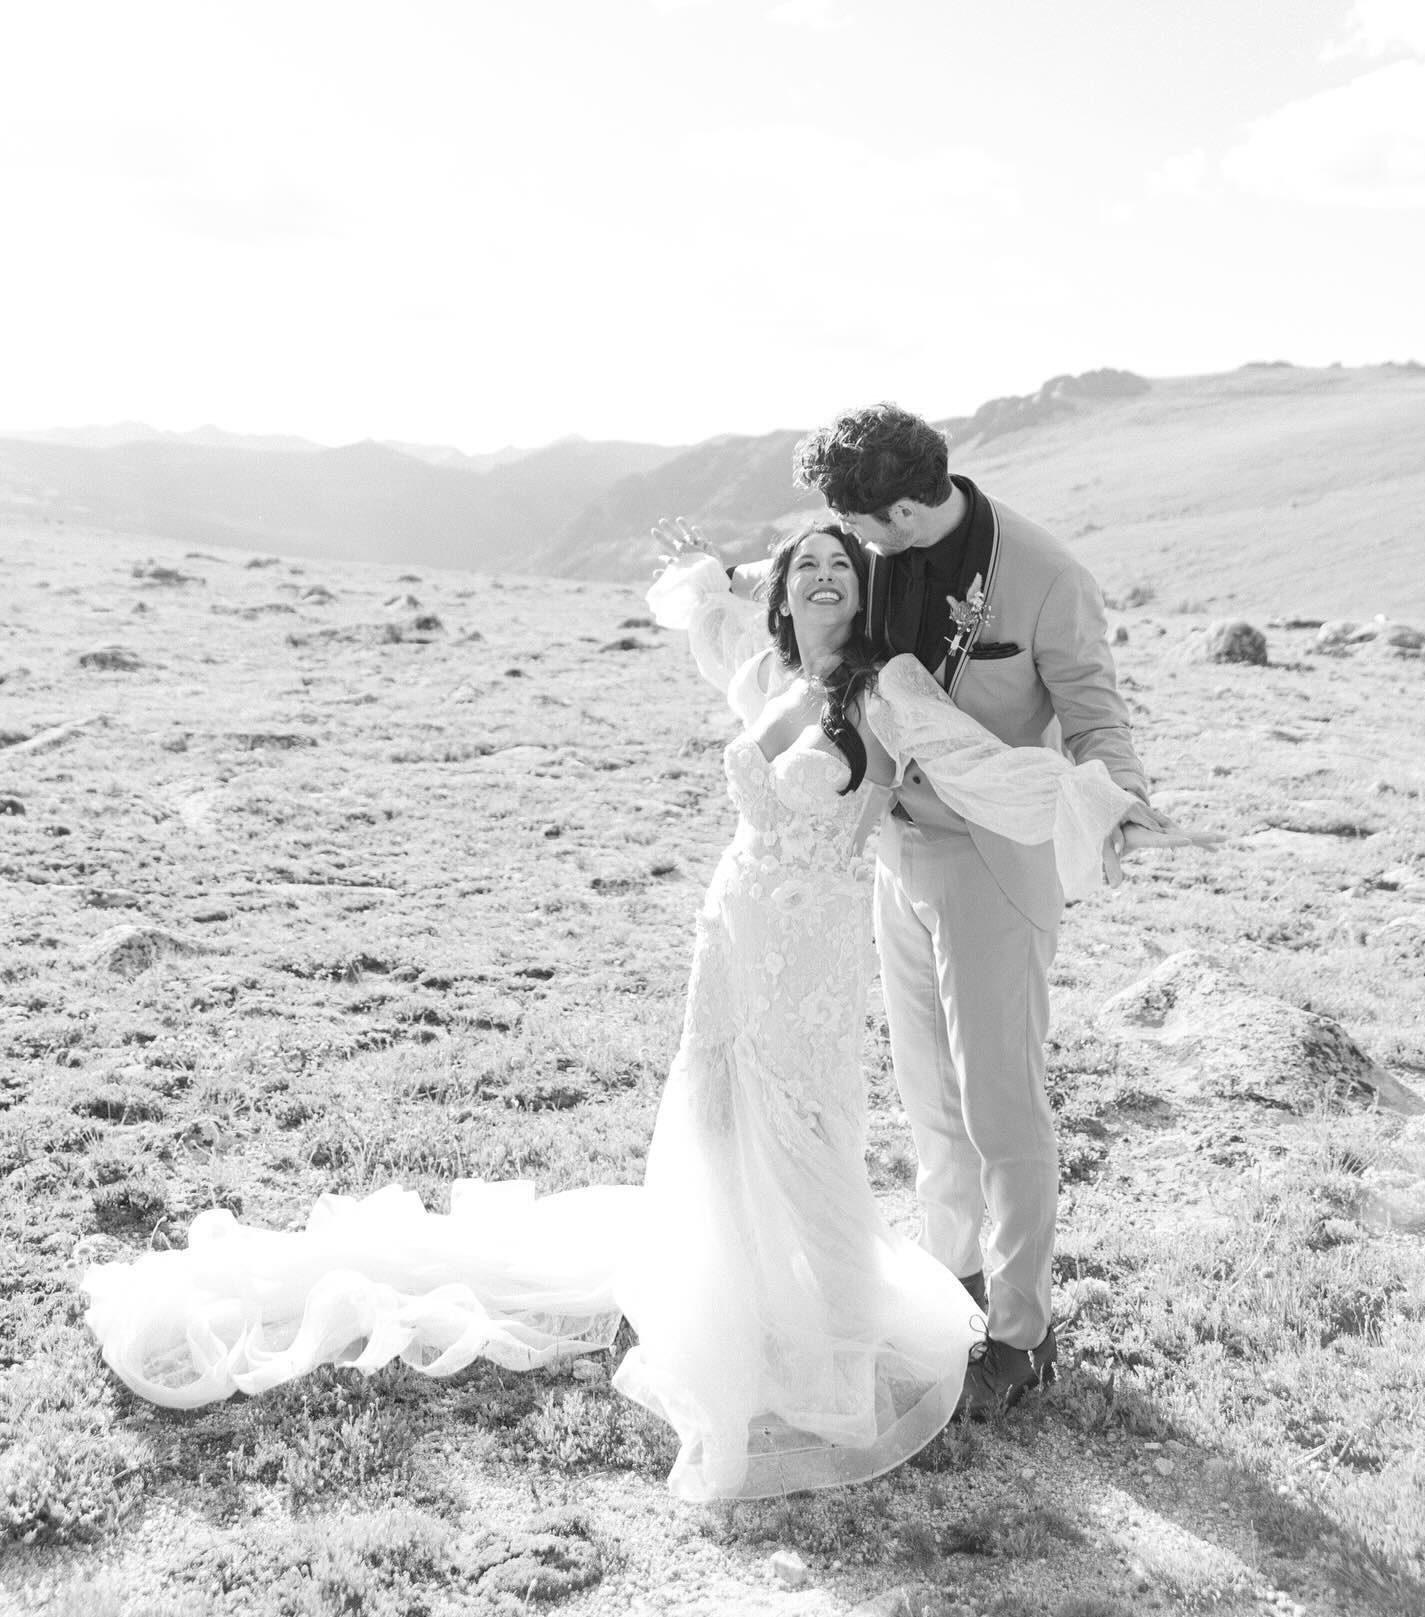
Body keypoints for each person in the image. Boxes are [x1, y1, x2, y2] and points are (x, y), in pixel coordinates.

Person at [82, 524, 1184, 1500]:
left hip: (809, 945)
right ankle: (721, 1289)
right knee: (715, 1118)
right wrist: (713, 570)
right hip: (734, 927)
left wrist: (1099, 800)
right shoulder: (770, 678)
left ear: (864, 590)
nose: (825, 578)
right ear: (786, 592)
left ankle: (829, 1327)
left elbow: (982, 767)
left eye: (844, 565)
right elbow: (711, 620)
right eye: (808, 565)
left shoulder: (889, 686)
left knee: (801, 1127)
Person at [722, 403, 1163, 1416]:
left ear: (915, 505)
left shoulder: (1045, 577)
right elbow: (803, 578)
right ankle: (950, 1284)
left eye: (868, 526)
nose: (859, 546)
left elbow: (1097, 712)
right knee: (928, 1101)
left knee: (999, 1101)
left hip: (996, 863)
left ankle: (1021, 1333)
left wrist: (1124, 799)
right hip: (894, 852)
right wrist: (733, 575)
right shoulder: (873, 543)